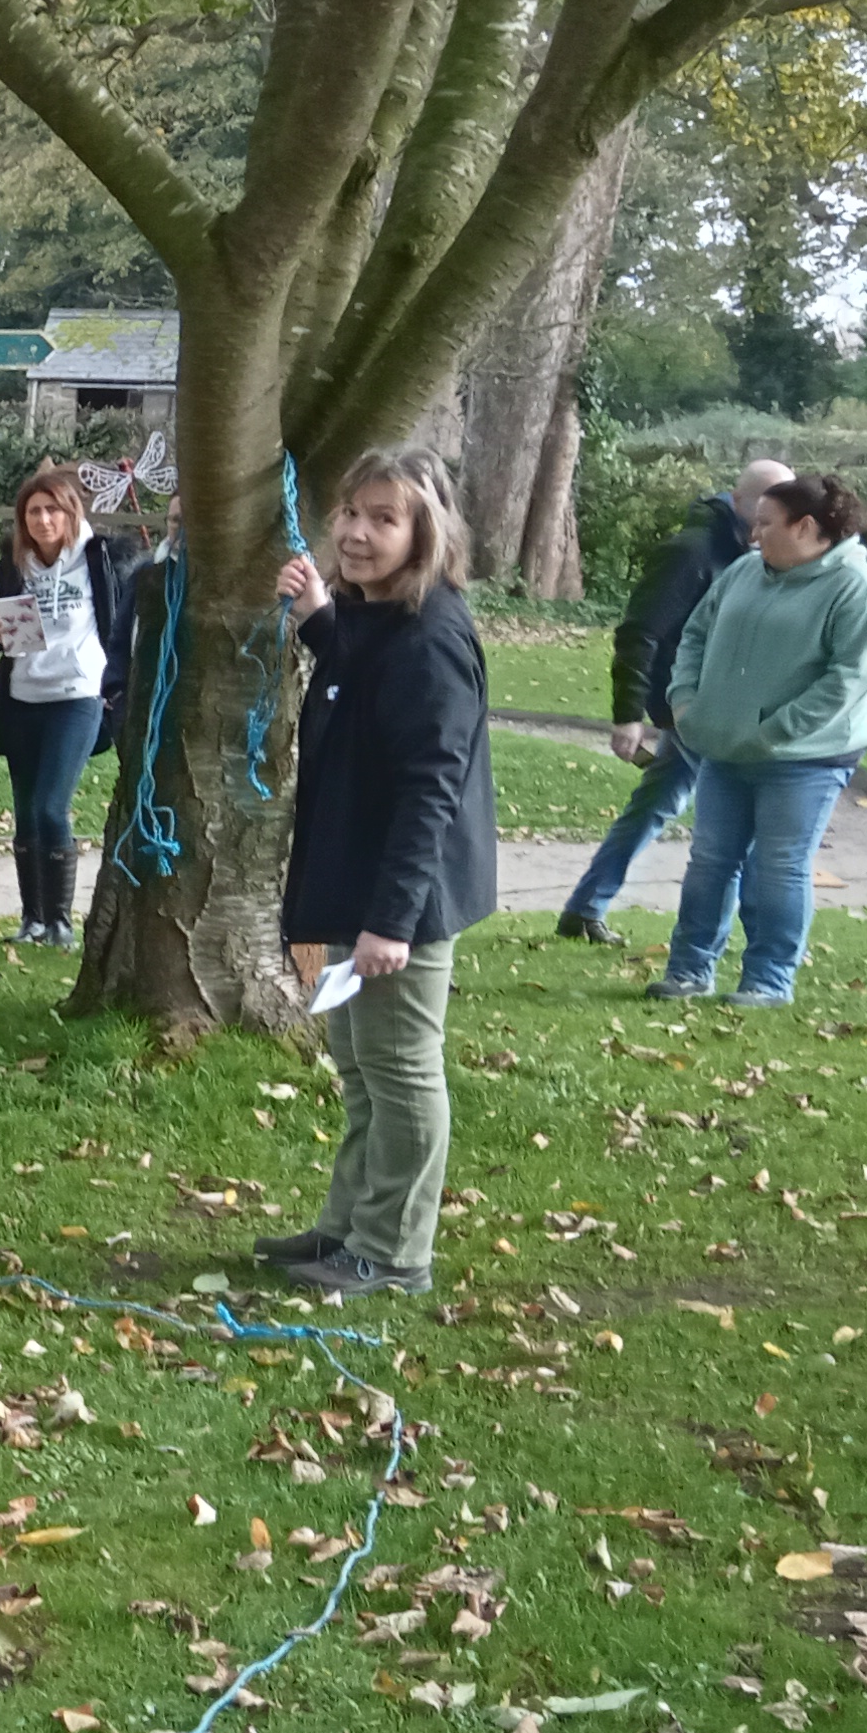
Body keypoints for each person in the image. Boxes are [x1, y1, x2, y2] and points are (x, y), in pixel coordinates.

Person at [264, 447, 496, 1297]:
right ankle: (347, 1229)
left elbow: (429, 791)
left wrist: (392, 921)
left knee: (400, 1071)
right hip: (359, 885)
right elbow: (360, 682)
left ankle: (394, 1251)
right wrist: (323, 620)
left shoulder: (432, 638)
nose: (357, 533)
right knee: (360, 1065)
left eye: (384, 518)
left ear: (425, 532)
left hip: (402, 902)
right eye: (351, 513)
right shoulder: (376, 617)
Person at [655, 472, 867, 1008]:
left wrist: (773, 730)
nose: (752, 535)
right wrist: (685, 700)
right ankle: (689, 971)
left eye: (765, 523)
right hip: (723, 747)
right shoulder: (744, 572)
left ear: (806, 526)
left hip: (804, 759)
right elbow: (694, 634)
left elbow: (848, 680)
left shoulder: (859, 591)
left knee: (779, 868)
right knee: (710, 862)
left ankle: (768, 981)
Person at [562, 458, 790, 946]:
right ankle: (750, 937)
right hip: (692, 709)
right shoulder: (692, 553)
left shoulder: (747, 554)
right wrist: (629, 714)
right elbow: (641, 632)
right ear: (740, 501)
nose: (775, 519)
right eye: (768, 508)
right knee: (735, 822)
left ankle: (585, 907)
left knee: (656, 806)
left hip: (712, 707)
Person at [0, 459, 134, 949]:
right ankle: (33, 920)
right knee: (25, 813)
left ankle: (62, 921)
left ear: (70, 513)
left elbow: (123, 622)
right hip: (23, 697)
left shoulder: (99, 557)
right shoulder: (14, 565)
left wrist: (118, 684)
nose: (43, 521)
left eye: (52, 511)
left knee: (51, 808)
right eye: (33, 512)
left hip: (78, 696)